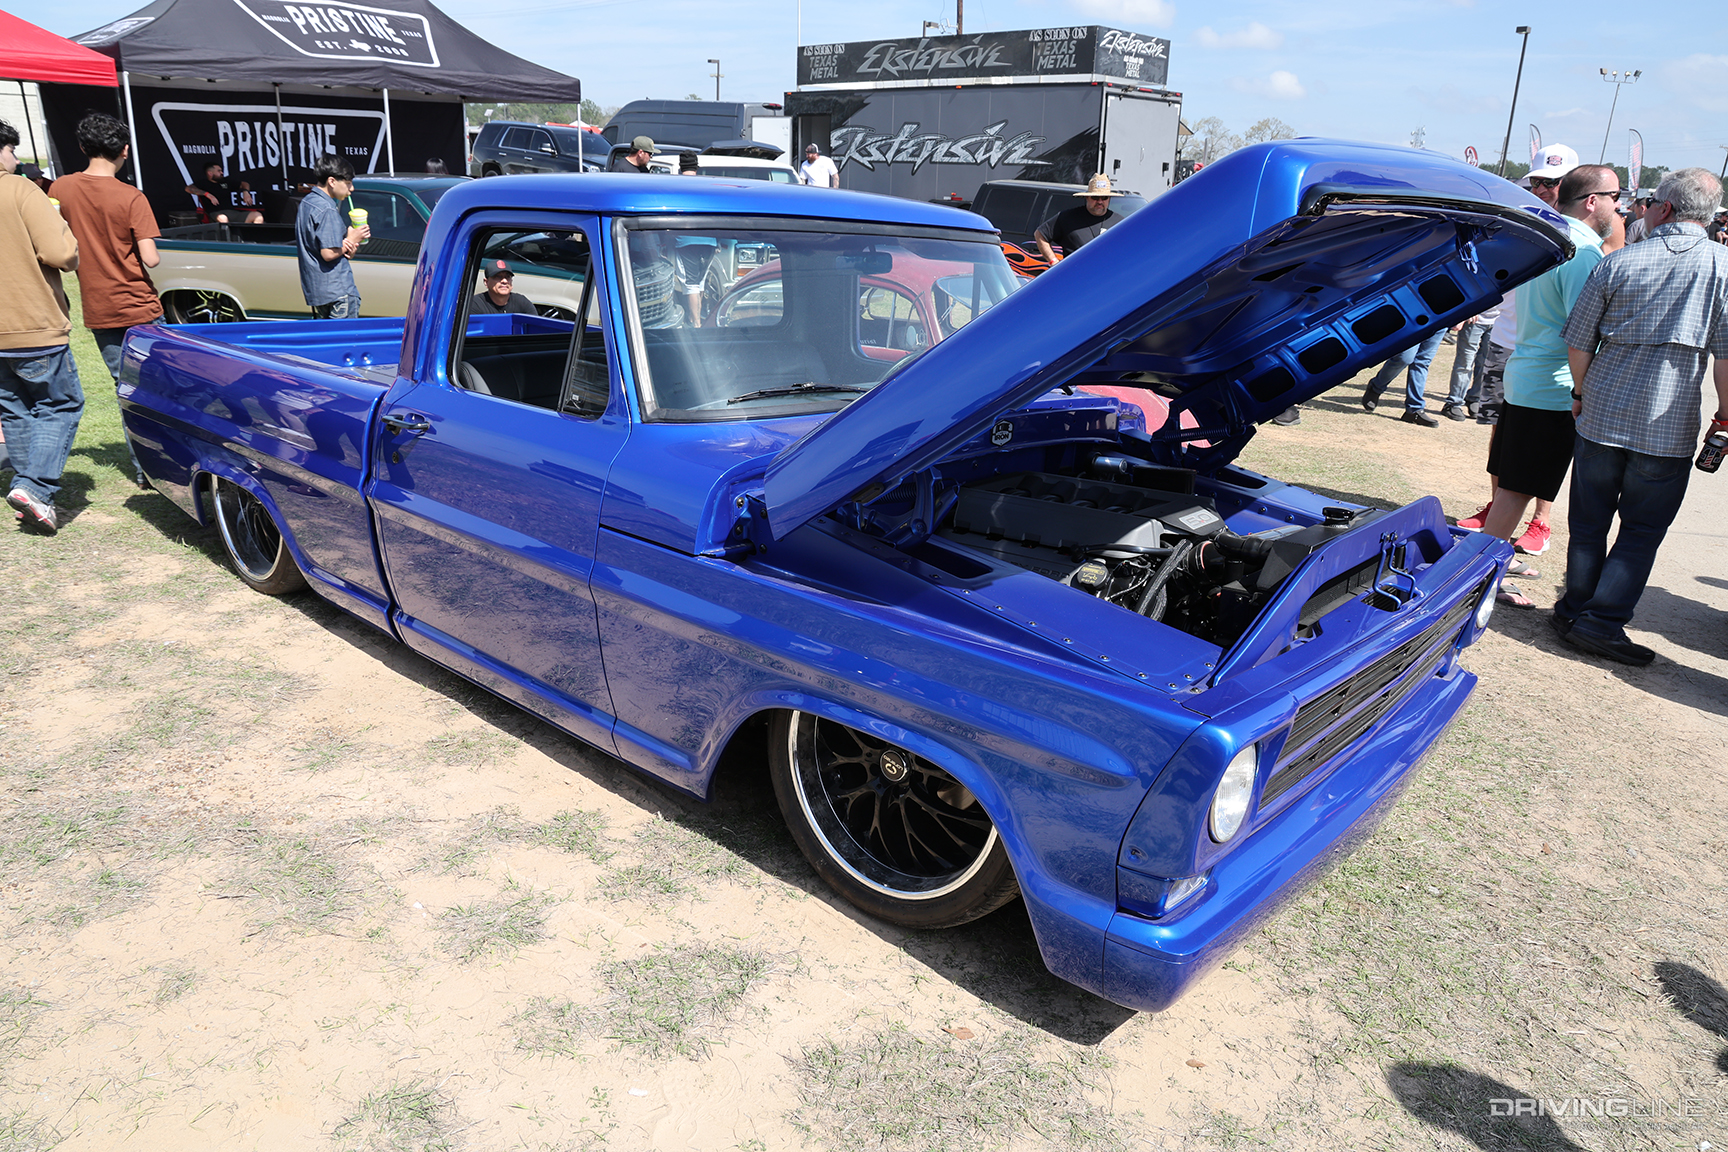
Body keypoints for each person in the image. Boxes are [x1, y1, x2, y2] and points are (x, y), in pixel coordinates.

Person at [1553, 167, 1728, 665]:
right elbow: (1727, 359)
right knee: (1641, 531)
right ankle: (1602, 622)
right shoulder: (1724, 268)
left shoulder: (1619, 262)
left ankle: (1576, 610)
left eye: (1650, 203)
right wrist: (1725, 419)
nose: (1644, 209)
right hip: (1666, 426)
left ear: (1666, 209)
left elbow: (1579, 339)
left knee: (1589, 521)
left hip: (1602, 412)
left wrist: (1581, 392)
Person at [1474, 164, 1620, 606]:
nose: (1622, 204)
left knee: (1513, 486)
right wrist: (1582, 390)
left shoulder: (1553, 239)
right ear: (1592, 201)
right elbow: (1584, 331)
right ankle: (1483, 577)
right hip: (1552, 386)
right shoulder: (1584, 252)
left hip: (1530, 374)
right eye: (1617, 194)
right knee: (1517, 489)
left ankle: (1488, 565)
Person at [49, 113, 162, 487]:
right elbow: (151, 258)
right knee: (157, 387)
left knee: (124, 386)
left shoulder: (59, 189)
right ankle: (163, 464)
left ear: (82, 148)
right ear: (124, 151)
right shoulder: (131, 196)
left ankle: (143, 469)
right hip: (140, 305)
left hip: (99, 306)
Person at [0, 118, 83, 533]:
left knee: (14, 409)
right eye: (12, 150)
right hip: (31, 322)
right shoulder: (19, 189)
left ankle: (26, 492)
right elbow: (61, 253)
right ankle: (34, 486)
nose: (15, 159)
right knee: (61, 404)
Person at [295, 153, 369, 318]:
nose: (351, 189)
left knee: (326, 340)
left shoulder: (307, 202)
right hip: (338, 291)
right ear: (332, 181)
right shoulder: (327, 209)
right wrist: (351, 239)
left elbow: (340, 252)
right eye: (348, 184)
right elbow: (328, 253)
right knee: (344, 341)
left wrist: (351, 242)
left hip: (318, 291)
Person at [1034, 174, 1126, 265]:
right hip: (1075, 277)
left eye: (1104, 198)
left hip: (1107, 277)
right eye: (1095, 197)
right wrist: (1053, 262)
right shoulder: (1068, 217)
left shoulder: (1120, 223)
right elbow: (1040, 234)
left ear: (1109, 199)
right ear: (1087, 197)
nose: (1100, 201)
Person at [1360, 328, 1446, 425]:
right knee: (1404, 358)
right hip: (1418, 318)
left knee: (1422, 362)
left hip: (1442, 322)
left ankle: (1414, 410)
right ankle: (1376, 386)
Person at [183, 160, 263, 224]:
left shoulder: (225, 182)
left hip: (233, 213)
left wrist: (245, 192)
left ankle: (254, 242)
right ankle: (229, 243)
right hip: (215, 214)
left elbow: (244, 184)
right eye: (219, 171)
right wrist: (208, 194)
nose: (222, 173)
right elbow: (188, 188)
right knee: (223, 218)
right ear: (210, 173)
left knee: (257, 215)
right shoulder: (203, 183)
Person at [470, 260, 535, 315]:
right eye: (498, 277)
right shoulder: (475, 304)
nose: (504, 281)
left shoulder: (522, 302)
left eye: (507, 277)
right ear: (486, 282)